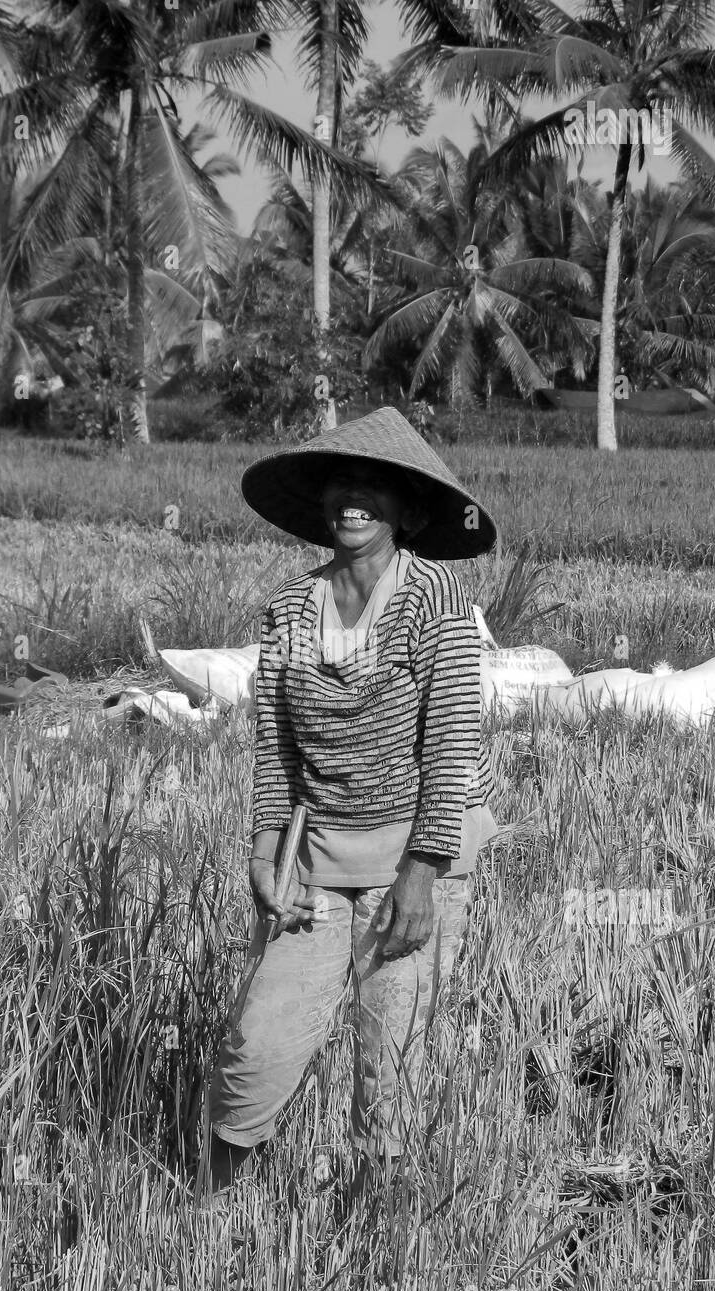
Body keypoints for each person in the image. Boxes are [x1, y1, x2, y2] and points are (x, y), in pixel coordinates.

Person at [204, 406, 500, 1196]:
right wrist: (263, 852)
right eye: (341, 485)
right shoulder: (289, 609)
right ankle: (203, 1208)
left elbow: (450, 744)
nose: (353, 501)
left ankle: (374, 1239)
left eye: (373, 489)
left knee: (388, 1062)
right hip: (315, 863)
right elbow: (276, 747)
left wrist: (421, 876)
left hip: (416, 859)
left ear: (406, 510)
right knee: (259, 1043)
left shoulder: (432, 597)